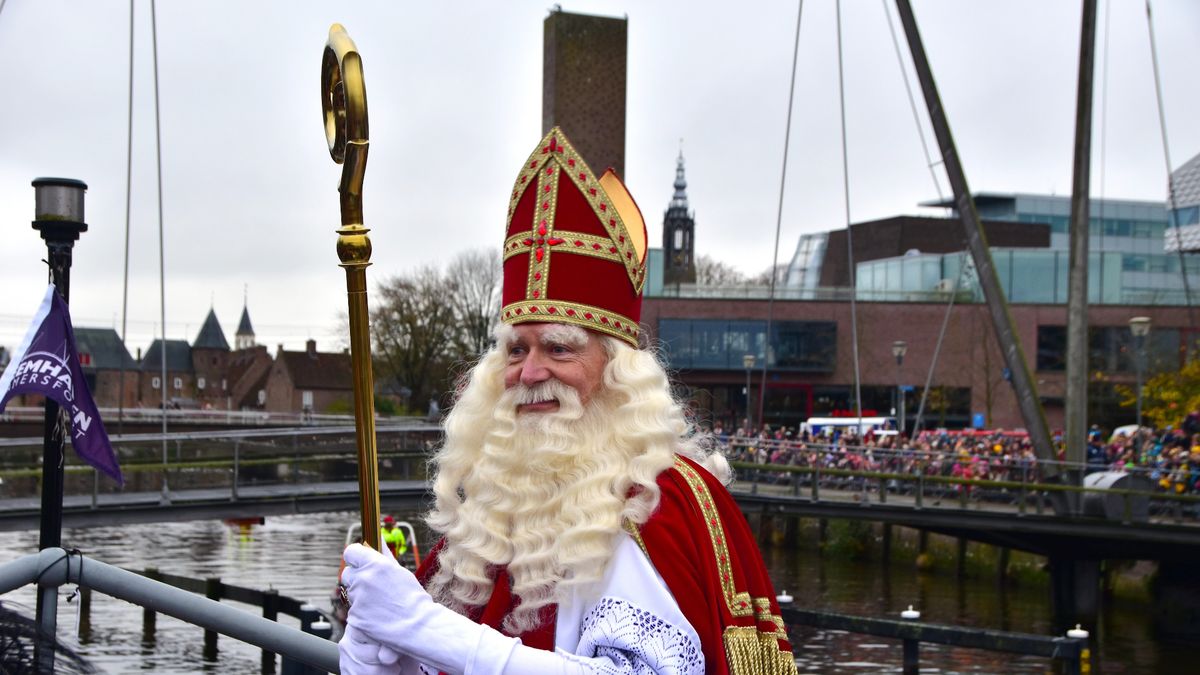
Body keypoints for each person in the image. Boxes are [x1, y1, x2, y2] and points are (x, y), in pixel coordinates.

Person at [338, 128, 796, 675]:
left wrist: (424, 628)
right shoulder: (495, 506)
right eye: (516, 350)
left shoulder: (655, 502)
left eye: (558, 348)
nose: (530, 373)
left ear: (618, 372)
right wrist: (386, 656)